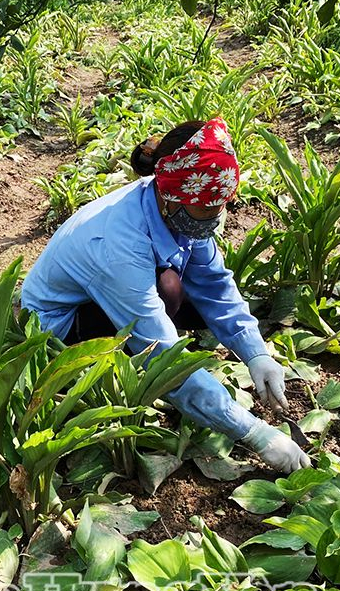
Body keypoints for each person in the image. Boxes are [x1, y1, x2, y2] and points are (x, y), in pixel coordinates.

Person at [20, 117, 309, 474]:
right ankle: (96, 376)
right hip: (58, 325)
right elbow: (161, 354)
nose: (216, 217)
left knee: (184, 293)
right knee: (166, 300)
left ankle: (163, 371)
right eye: (207, 208)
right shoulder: (119, 246)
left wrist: (256, 353)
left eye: (222, 205)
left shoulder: (172, 203)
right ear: (173, 196)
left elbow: (215, 286)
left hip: (110, 293)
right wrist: (253, 432)